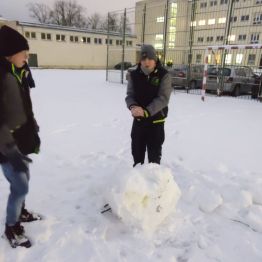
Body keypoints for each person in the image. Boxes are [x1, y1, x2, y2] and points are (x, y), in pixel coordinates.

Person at [0, 25, 41, 248]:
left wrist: (31, 124)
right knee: (20, 186)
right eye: (23, 52)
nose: (27, 56)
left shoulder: (19, 71)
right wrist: (10, 150)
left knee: (24, 177)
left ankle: (21, 212)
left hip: (21, 138)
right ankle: (11, 226)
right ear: (8, 53)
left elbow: (24, 104)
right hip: (6, 146)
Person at [125, 45, 172, 167]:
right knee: (137, 157)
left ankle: (153, 184)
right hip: (139, 122)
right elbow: (129, 96)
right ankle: (137, 183)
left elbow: (163, 98)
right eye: (143, 59)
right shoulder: (134, 75)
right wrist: (133, 107)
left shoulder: (164, 75)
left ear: (155, 59)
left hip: (156, 123)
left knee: (154, 161)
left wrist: (146, 111)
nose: (146, 62)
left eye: (150, 58)